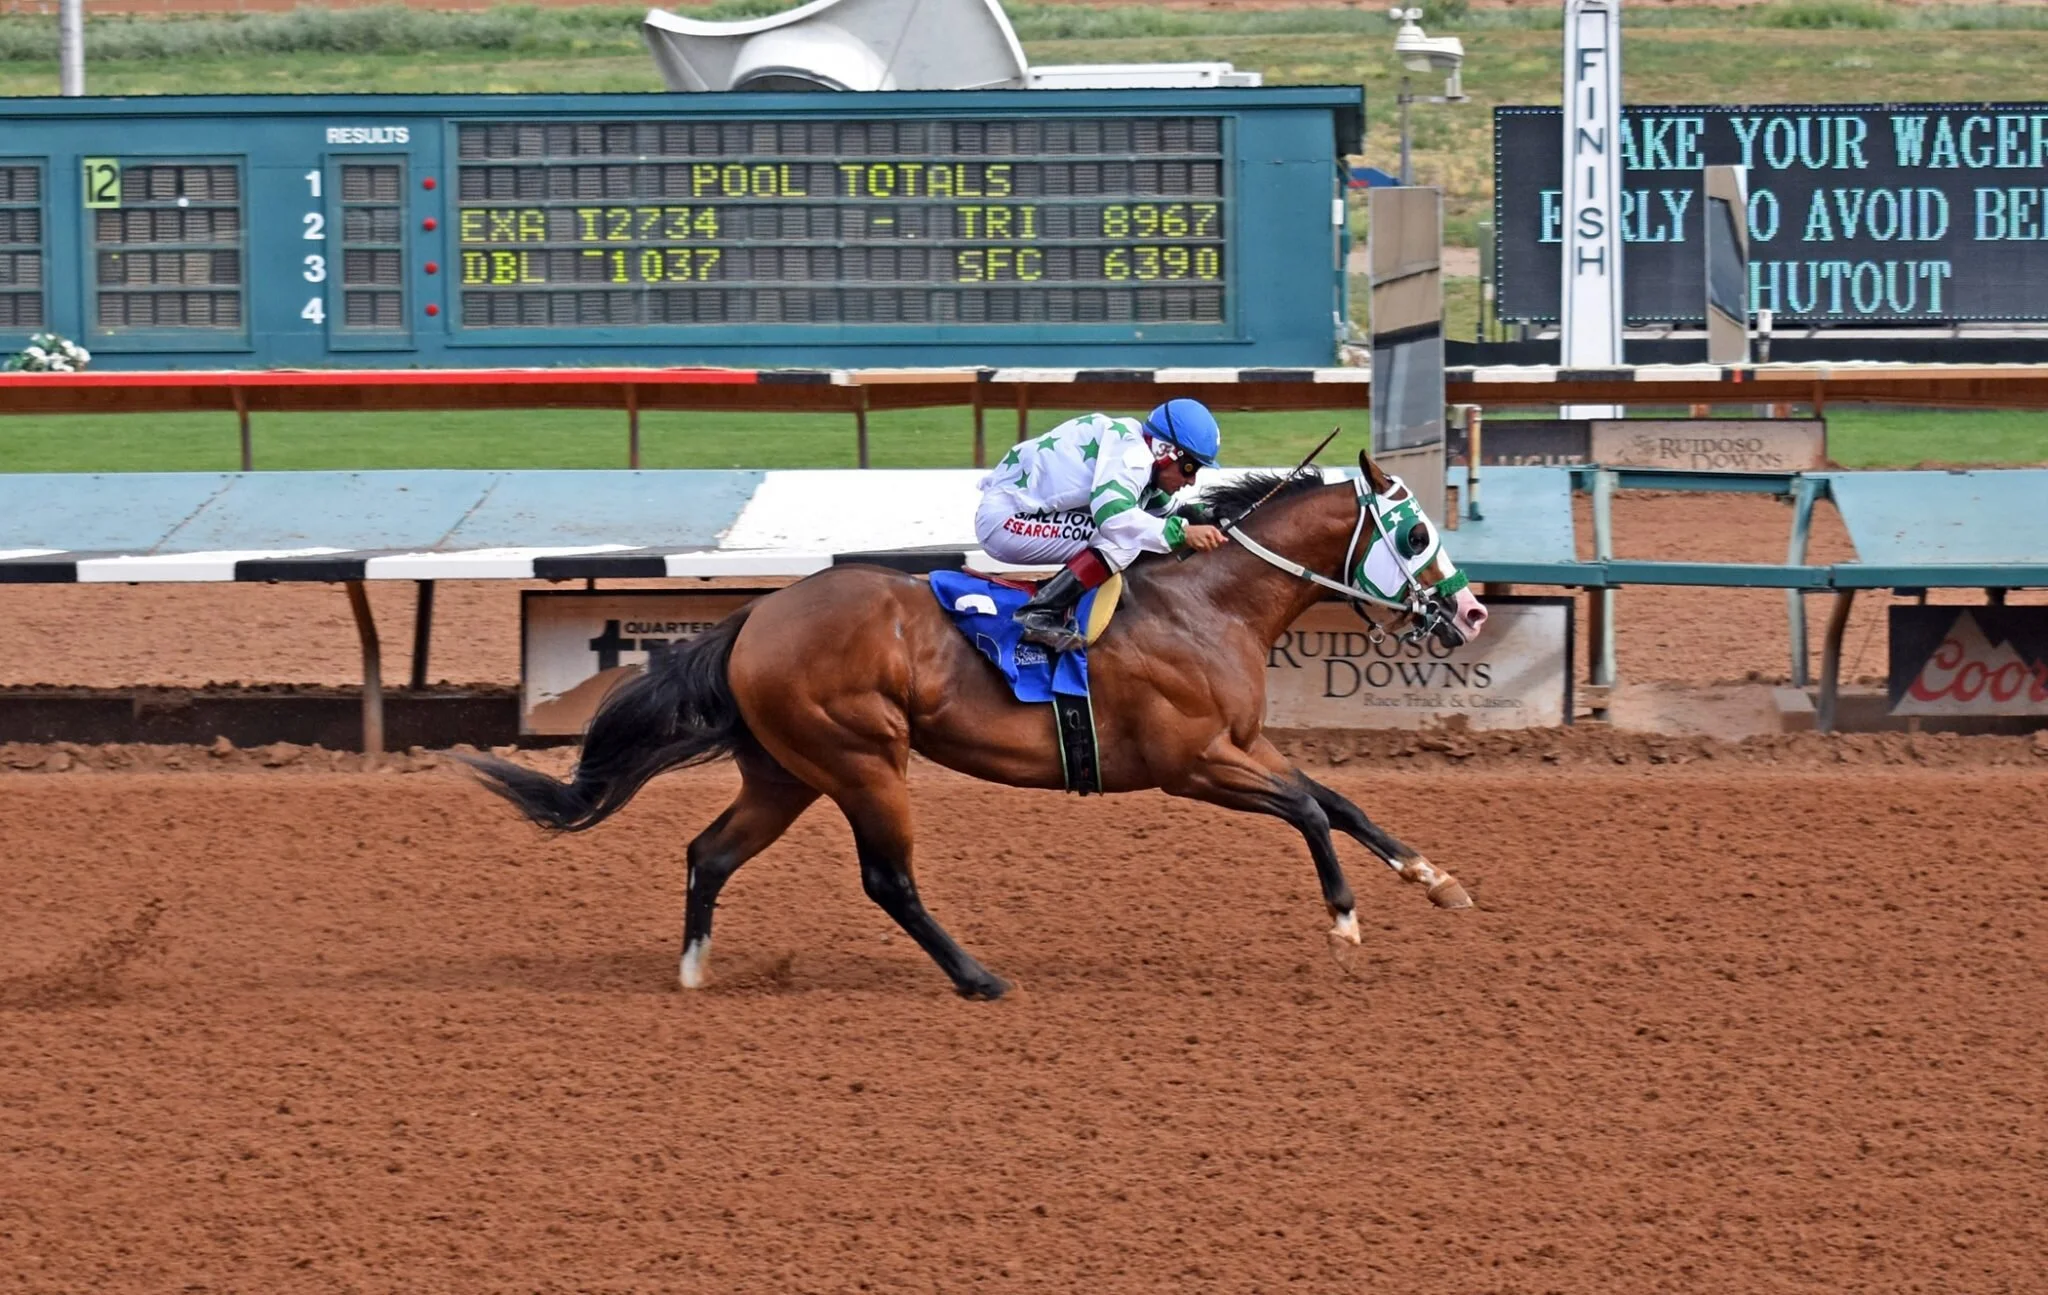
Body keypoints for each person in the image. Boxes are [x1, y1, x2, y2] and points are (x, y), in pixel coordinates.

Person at [974, 397, 1229, 652]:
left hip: (1012, 510)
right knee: (1122, 542)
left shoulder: (1133, 445)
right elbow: (1113, 516)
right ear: (1164, 452)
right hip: (1007, 522)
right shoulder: (1133, 458)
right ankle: (1037, 614)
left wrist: (1206, 514)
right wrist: (1182, 532)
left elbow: (1162, 509)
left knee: (1136, 531)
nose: (1192, 480)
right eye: (1189, 467)